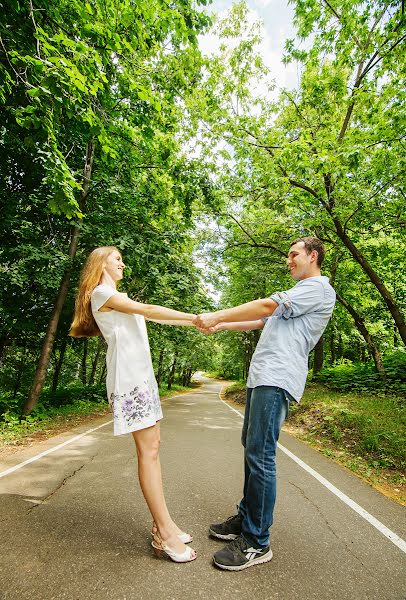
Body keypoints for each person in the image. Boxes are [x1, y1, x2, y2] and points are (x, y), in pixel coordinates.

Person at [194, 237, 336, 571]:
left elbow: (265, 307)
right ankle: (247, 519)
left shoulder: (317, 288)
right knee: (252, 449)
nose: (289, 260)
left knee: (261, 455)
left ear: (313, 256)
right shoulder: (302, 292)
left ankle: (258, 542)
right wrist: (220, 324)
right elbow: (261, 322)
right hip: (262, 377)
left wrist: (216, 313)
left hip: (277, 378)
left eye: (294, 254)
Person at [70, 246, 198, 563]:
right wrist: (195, 318)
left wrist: (193, 322)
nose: (122, 263)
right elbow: (151, 310)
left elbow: (152, 316)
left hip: (141, 378)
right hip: (128, 381)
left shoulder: (114, 295)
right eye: (117, 259)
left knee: (153, 448)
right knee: (149, 452)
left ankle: (162, 526)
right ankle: (165, 533)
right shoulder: (102, 292)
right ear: (101, 264)